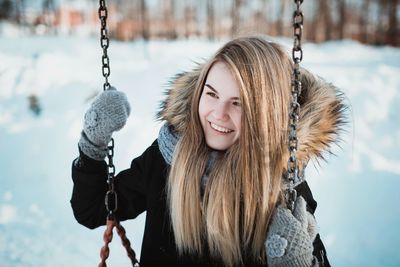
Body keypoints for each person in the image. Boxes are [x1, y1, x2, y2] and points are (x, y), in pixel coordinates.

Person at [71, 36, 345, 267]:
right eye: (211, 94)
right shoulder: (168, 156)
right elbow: (94, 209)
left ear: (265, 117)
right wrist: (93, 143)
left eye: (238, 103)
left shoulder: (280, 189)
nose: (219, 114)